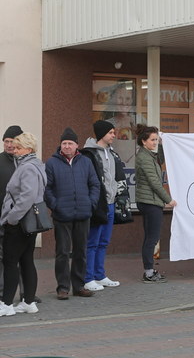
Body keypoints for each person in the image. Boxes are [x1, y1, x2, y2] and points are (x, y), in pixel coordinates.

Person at [44, 128, 100, 299]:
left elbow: (95, 184)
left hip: (83, 214)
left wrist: (90, 204)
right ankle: (63, 287)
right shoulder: (52, 163)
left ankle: (79, 286)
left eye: (70, 143)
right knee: (62, 252)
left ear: (77, 145)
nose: (67, 146)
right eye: (64, 143)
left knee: (80, 251)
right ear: (60, 145)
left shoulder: (85, 162)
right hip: (62, 215)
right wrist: (55, 205)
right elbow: (47, 188)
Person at [0, 133, 46, 316]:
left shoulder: (27, 167)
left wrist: (12, 218)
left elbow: (26, 197)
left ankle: (7, 304)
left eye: (18, 147)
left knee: (11, 262)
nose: (15, 150)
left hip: (20, 222)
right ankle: (28, 302)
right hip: (30, 223)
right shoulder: (36, 165)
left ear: (28, 148)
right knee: (27, 261)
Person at [81, 120, 124, 291]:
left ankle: (100, 275)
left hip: (111, 203)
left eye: (114, 132)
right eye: (111, 132)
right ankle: (88, 277)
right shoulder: (89, 154)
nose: (114, 135)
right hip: (98, 204)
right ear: (102, 134)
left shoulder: (112, 154)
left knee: (104, 241)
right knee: (92, 241)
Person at [135, 125, 177, 283]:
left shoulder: (149, 155)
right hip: (150, 203)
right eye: (152, 140)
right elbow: (154, 183)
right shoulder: (144, 158)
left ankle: (149, 270)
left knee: (151, 238)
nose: (155, 142)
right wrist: (169, 200)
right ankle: (148, 272)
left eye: (156, 140)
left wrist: (166, 141)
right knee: (151, 238)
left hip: (149, 201)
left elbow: (162, 156)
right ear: (144, 141)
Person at [0, 125, 23, 300]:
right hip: (3, 219)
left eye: (12, 141)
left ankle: (26, 294)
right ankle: (2, 293)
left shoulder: (25, 161)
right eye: (6, 141)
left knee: (23, 258)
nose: (8, 145)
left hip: (22, 219)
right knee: (3, 258)